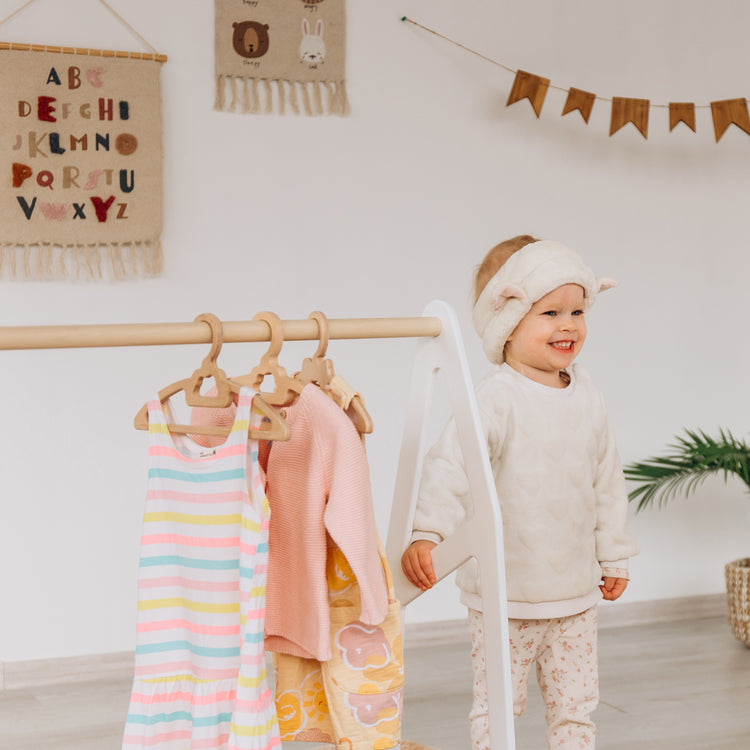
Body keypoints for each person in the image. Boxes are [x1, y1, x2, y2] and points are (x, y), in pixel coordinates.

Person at [401, 235, 638, 750]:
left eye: (577, 311)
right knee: (499, 707)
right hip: (505, 594)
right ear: (507, 322)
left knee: (577, 706)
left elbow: (607, 478)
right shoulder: (496, 399)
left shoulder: (588, 394)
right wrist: (428, 532)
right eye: (550, 312)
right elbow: (452, 466)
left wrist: (613, 555)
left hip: (575, 591)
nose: (569, 325)